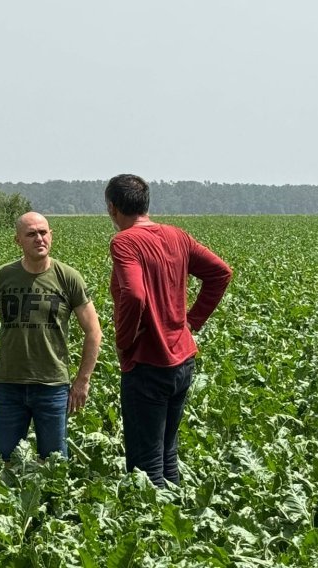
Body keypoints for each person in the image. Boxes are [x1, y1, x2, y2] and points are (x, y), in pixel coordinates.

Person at [105, 174, 232, 487]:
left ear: (112, 208)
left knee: (146, 468)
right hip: (181, 360)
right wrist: (191, 321)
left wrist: (124, 340)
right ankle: (177, 523)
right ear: (146, 205)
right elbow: (220, 273)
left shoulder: (125, 241)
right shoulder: (177, 236)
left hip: (148, 363)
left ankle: (153, 530)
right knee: (166, 454)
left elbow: (134, 294)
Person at [0, 212, 102, 461]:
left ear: (51, 236)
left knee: (55, 464)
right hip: (9, 386)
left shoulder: (68, 277)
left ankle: (53, 502)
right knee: (3, 460)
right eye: (31, 234)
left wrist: (82, 380)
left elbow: (94, 331)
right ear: (17, 240)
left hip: (52, 386)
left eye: (43, 232)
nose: (39, 238)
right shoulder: (2, 277)